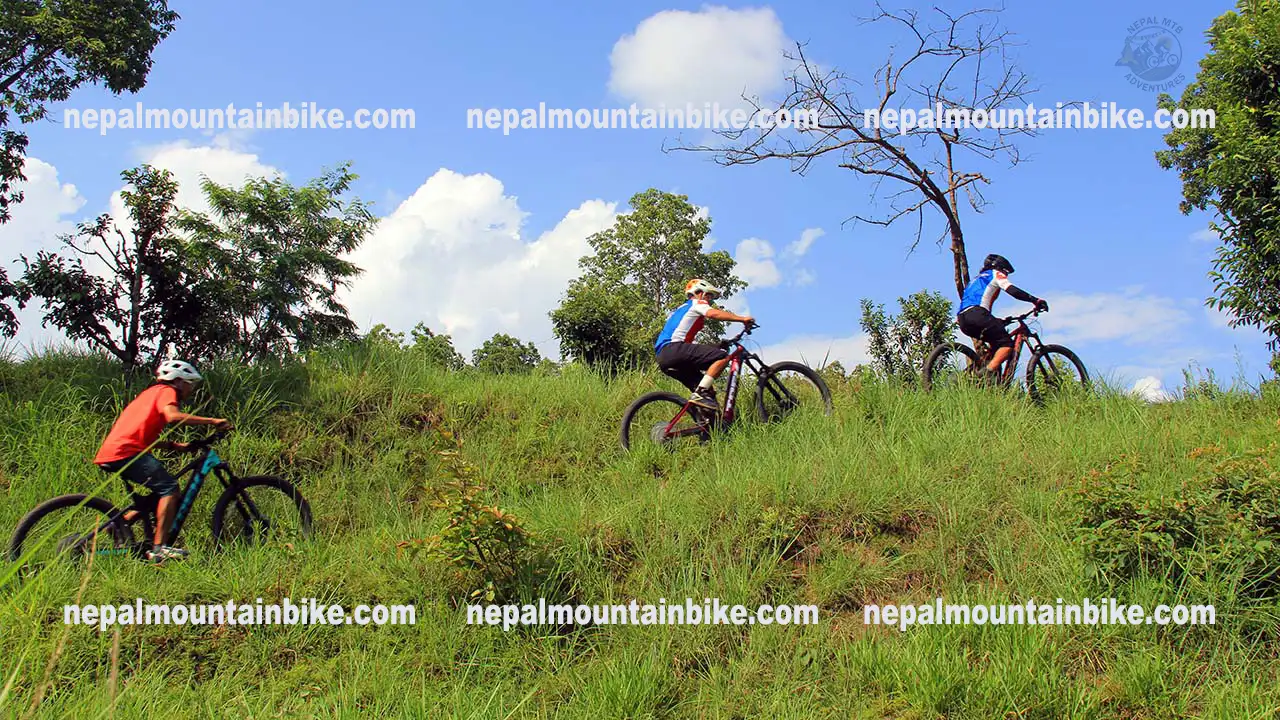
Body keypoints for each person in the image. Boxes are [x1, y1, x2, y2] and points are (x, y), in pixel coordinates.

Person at [93, 360, 231, 562]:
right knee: (170, 488)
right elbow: (172, 416)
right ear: (178, 381)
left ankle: (119, 525)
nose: (191, 390)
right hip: (126, 452)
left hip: (116, 451)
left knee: (157, 495)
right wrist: (213, 421)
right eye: (189, 384)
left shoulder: (148, 394)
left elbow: (139, 435)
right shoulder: (167, 391)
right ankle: (159, 549)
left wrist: (175, 446)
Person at [654, 279, 755, 410]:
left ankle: (708, 425)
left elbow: (690, 347)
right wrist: (742, 319)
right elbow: (714, 313)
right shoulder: (696, 303)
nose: (709, 300)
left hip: (665, 356)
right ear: (698, 293)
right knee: (723, 357)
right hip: (674, 349)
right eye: (708, 296)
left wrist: (716, 346)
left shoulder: (682, 309)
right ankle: (701, 392)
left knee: (708, 395)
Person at [957, 254, 1049, 376]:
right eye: (1006, 272)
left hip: (962, 319)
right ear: (1001, 268)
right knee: (1007, 345)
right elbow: (1013, 291)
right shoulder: (995, 274)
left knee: (995, 347)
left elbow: (978, 304)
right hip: (977, 313)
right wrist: (1035, 300)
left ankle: (972, 376)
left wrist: (997, 321)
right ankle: (986, 374)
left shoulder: (976, 280)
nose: (1006, 276)